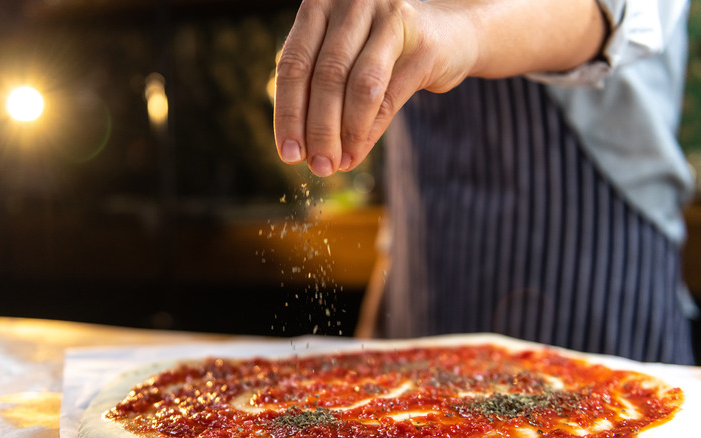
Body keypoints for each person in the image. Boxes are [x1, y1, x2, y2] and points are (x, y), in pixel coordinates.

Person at [272, 0, 697, 365]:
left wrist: (461, 28)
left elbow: (623, 11)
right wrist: (385, 286)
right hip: (426, 278)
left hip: (596, 277)